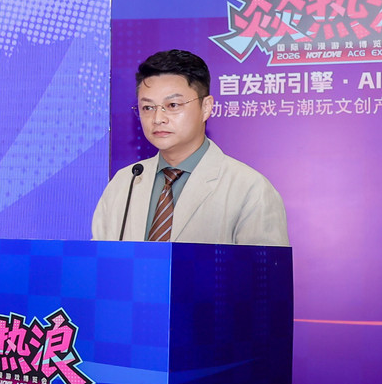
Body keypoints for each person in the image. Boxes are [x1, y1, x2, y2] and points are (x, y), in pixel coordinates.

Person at [92, 49, 288, 246]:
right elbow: (99, 260)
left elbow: (263, 266)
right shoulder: (124, 183)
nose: (158, 119)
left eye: (173, 105)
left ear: (206, 107)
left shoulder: (250, 188)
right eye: (148, 107)